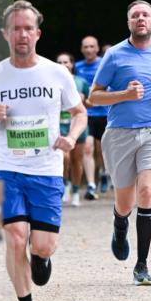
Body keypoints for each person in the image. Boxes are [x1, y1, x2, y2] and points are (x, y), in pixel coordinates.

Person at [0, 0, 87, 301]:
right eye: (16, 28)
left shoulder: (56, 73)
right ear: (5, 34)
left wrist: (72, 138)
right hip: (8, 170)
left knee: (42, 245)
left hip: (46, 171)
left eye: (28, 28)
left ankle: (42, 256)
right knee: (15, 238)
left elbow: (79, 113)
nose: (22, 34)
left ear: (37, 33)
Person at [88, 0, 151, 285]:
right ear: (129, 23)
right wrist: (124, 95)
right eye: (135, 15)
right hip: (120, 134)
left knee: (146, 190)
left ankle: (141, 265)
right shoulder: (115, 55)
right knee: (125, 200)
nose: (140, 18)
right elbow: (94, 96)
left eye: (145, 15)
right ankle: (120, 224)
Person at [75, 35, 107, 197]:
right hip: (86, 114)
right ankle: (91, 185)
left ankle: (103, 172)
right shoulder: (77, 67)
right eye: (85, 47)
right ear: (82, 49)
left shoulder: (104, 63)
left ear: (97, 48)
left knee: (102, 150)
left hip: (105, 112)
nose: (88, 50)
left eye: (91, 46)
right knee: (88, 148)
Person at [56, 52, 89, 207]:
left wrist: (84, 100)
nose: (63, 65)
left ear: (72, 64)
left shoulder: (81, 82)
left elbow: (91, 103)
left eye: (66, 62)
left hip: (78, 125)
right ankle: (65, 184)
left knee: (77, 161)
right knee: (64, 158)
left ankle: (76, 191)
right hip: (59, 126)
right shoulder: (51, 82)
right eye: (60, 62)